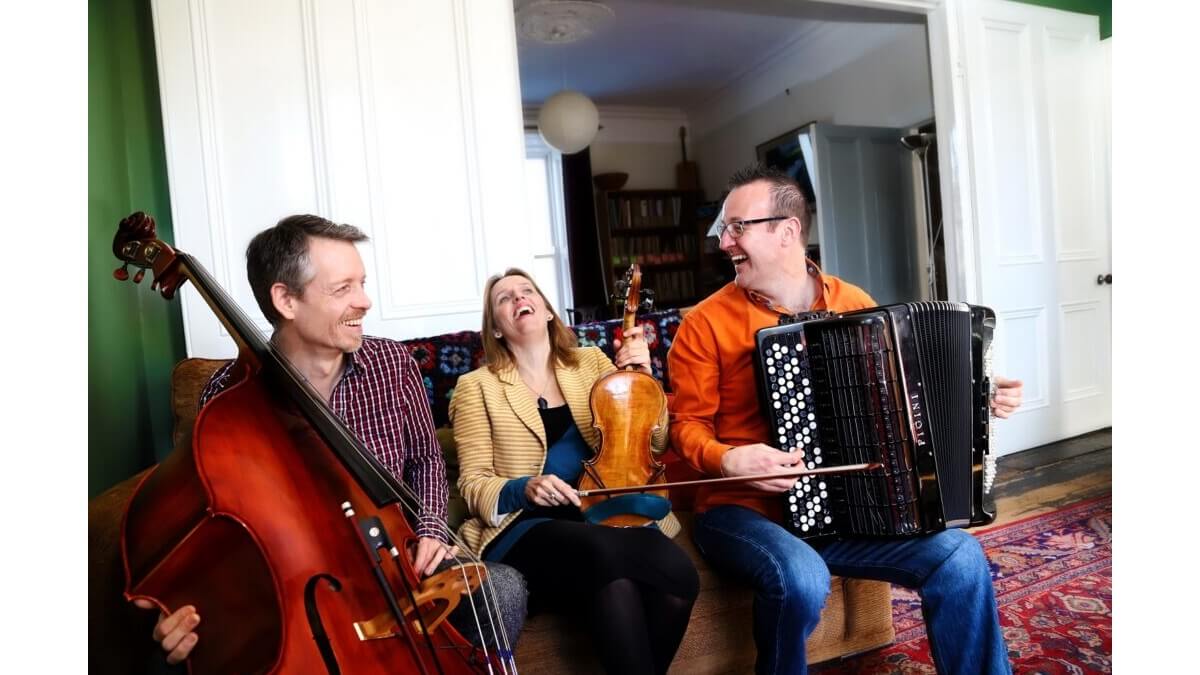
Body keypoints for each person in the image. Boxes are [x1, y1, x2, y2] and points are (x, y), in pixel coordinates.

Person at [667, 165, 1024, 675]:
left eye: (736, 227)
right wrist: (729, 456)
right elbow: (684, 428)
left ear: (786, 231)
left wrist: (976, 400)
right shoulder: (703, 324)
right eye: (723, 230)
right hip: (742, 509)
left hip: (845, 510)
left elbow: (904, 401)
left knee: (961, 558)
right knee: (802, 577)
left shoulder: (854, 304)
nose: (724, 243)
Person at [133, 215, 527, 667]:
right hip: (300, 573)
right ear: (286, 300)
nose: (365, 301)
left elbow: (425, 460)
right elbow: (210, 516)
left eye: (362, 283)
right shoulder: (228, 398)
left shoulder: (392, 363)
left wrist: (431, 528)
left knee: (502, 588)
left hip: (397, 553)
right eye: (343, 289)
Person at [450, 268, 700, 675]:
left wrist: (644, 380)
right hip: (526, 526)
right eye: (503, 298)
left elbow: (650, 447)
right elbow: (473, 483)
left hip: (600, 516)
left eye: (526, 291)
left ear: (548, 310)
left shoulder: (591, 363)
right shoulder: (476, 387)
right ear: (495, 328)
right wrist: (525, 488)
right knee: (610, 552)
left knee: (674, 580)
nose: (518, 299)